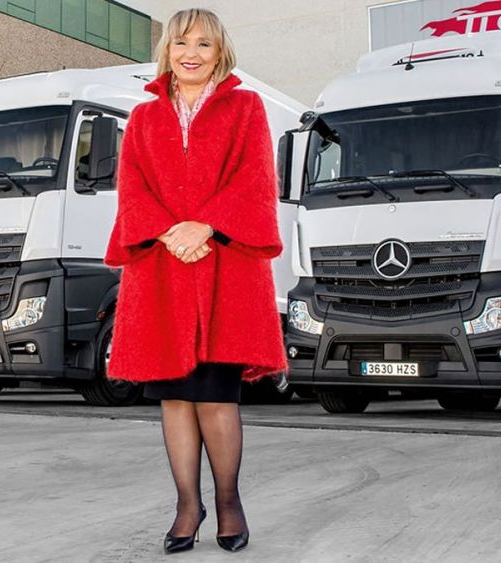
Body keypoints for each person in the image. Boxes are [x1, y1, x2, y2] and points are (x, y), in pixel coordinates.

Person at [103, 8, 286, 555]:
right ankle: (188, 506)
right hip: (161, 270)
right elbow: (132, 187)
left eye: (204, 44)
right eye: (181, 42)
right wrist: (168, 232)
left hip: (227, 266)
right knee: (175, 400)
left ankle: (228, 503)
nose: (191, 53)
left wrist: (205, 225)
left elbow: (256, 179)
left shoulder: (245, 107)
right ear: (167, 50)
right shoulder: (143, 118)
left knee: (216, 396)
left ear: (219, 52)